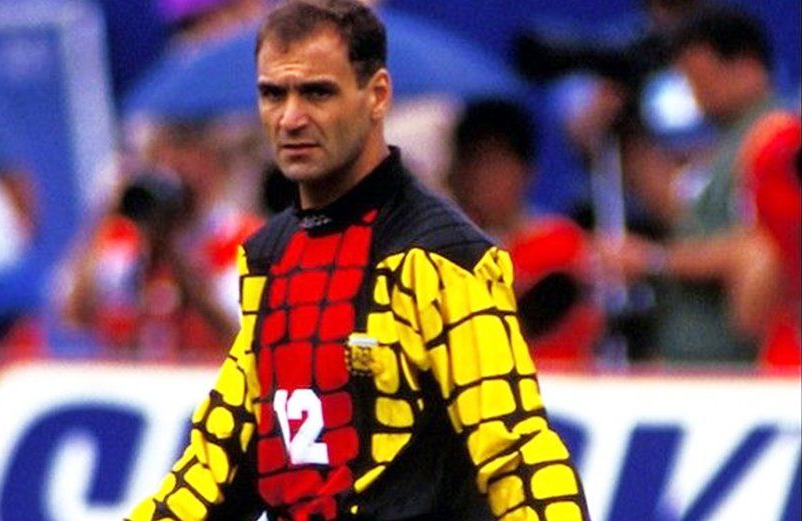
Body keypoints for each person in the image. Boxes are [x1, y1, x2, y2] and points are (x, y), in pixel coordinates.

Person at [128, 1, 588, 520]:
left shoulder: (440, 256)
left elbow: (515, 452)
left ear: (377, 96)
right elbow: (216, 464)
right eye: (273, 94)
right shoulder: (268, 258)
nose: (291, 117)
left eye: (317, 92)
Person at [600, 6, 798, 364]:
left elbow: (761, 248)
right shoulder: (731, 141)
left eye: (703, 80)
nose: (697, 96)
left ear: (746, 67)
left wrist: (653, 259)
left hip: (739, 364)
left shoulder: (775, 139)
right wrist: (623, 133)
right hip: (698, 361)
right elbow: (692, 221)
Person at [61, 119, 260, 358]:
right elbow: (75, 314)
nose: (174, 166)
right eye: (162, 155)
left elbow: (239, 334)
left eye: (187, 152)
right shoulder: (127, 237)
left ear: (216, 165)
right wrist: (105, 214)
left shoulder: (245, 239)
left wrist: (173, 253)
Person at [447, 97, 604, 365]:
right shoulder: (441, 248)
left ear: (525, 170)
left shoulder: (561, 242)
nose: (483, 179)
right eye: (473, 164)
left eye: (496, 164)